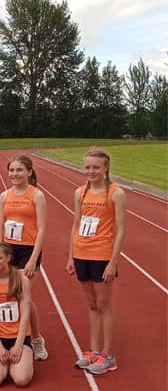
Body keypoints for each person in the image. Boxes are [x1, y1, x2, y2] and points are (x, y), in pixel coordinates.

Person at [66, 149, 126, 375]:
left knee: (104, 305)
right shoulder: (80, 193)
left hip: (102, 255)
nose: (90, 171)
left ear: (106, 168)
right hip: (82, 253)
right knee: (92, 305)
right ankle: (93, 351)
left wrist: (113, 261)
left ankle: (108, 356)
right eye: (87, 167)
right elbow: (75, 224)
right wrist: (71, 255)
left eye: (95, 167)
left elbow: (121, 230)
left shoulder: (115, 193)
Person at [0, 154, 48, 360]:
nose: (15, 174)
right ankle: (15, 337)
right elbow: (0, 223)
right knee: (11, 296)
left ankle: (35, 339)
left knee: (22, 295)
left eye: (19, 170)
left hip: (28, 250)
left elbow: (42, 229)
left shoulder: (37, 196)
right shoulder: (4, 195)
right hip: (9, 249)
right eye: (12, 170)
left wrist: (33, 259)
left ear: (29, 172)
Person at [0, 242, 33, 388]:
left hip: (19, 337)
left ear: (8, 257)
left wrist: (18, 345)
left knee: (21, 380)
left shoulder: (21, 279)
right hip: (0, 338)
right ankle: (1, 362)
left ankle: (23, 358)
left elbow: (25, 313)